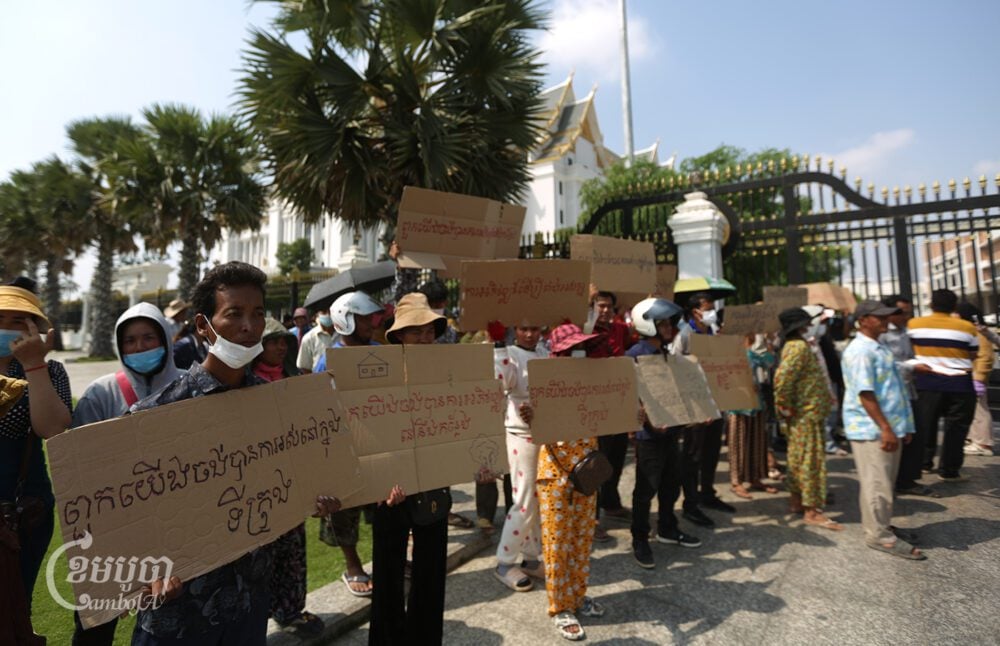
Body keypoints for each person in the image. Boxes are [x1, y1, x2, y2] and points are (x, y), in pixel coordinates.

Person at [128, 262, 342, 646]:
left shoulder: (277, 406)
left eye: (258, 314)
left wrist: (315, 495)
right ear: (202, 326)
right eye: (234, 314)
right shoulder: (154, 416)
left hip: (248, 605)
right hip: (178, 614)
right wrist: (143, 569)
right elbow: (127, 517)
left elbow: (290, 482)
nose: (249, 326)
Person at [71, 302, 184, 645]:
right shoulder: (101, 393)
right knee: (96, 624)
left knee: (169, 618)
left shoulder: (191, 386)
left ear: (165, 339)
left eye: (149, 338)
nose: (139, 348)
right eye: (130, 341)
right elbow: (77, 466)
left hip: (176, 526)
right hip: (112, 531)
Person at [369, 292, 448, 646]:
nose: (425, 338)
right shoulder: (377, 376)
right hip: (390, 491)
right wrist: (383, 480)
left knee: (431, 572)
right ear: (399, 335)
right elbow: (366, 435)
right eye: (417, 331)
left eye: (431, 331)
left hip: (434, 483)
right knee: (387, 574)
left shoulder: (447, 375)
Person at [0, 278, 71, 646]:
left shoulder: (49, 370)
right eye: (1, 318)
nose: (6, 329)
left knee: (14, 605)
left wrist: (33, 365)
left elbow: (53, 428)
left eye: (18, 321)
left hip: (23, 512)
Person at [529, 323, 607, 641]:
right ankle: (560, 607)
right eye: (573, 348)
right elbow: (540, 426)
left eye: (584, 348)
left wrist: (632, 417)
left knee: (581, 540)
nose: (580, 354)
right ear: (556, 352)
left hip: (587, 474)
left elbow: (608, 416)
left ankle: (576, 596)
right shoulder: (545, 384)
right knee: (557, 545)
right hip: (556, 477)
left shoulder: (590, 382)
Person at [248, 318, 324, 637]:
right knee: (261, 552)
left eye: (283, 342)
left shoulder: (294, 378)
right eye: (272, 341)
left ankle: (290, 609)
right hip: (258, 480)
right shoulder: (245, 383)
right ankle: (255, 617)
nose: (280, 347)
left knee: (293, 547)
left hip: (292, 477)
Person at [841, 301, 924, 559]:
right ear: (863, 319)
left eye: (887, 316)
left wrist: (902, 426)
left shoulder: (878, 346)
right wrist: (886, 428)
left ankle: (882, 525)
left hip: (887, 426)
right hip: (871, 429)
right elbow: (865, 394)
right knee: (877, 484)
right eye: (879, 317)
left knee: (885, 482)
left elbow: (892, 385)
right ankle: (879, 536)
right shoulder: (860, 351)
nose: (885, 321)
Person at [626, 298, 702, 571]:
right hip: (649, 437)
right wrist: (644, 421)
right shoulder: (635, 354)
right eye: (663, 323)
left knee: (672, 484)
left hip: (673, 431)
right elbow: (629, 395)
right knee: (646, 489)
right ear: (648, 325)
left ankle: (668, 527)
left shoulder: (669, 355)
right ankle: (640, 538)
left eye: (671, 322)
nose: (669, 327)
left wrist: (698, 411)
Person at [316, 291, 383, 597]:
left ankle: (390, 558)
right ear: (346, 320)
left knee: (386, 505)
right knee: (345, 511)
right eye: (365, 318)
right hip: (344, 449)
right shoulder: (326, 362)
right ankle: (353, 565)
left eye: (372, 318)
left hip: (379, 445)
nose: (372, 323)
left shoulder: (381, 352)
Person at [773, 308, 841, 531]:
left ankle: (797, 502)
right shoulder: (798, 347)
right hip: (806, 413)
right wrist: (784, 405)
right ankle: (812, 510)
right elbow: (782, 379)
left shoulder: (797, 345)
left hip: (805, 412)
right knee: (811, 462)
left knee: (798, 458)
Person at [492, 323, 548, 591]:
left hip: (543, 430)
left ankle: (528, 557)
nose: (530, 334)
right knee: (524, 499)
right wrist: (498, 346)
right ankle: (504, 562)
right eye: (525, 328)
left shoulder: (543, 352)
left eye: (534, 329)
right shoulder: (509, 352)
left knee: (536, 498)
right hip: (519, 432)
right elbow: (501, 383)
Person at [672, 292, 734, 522]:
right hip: (695, 406)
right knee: (692, 455)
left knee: (712, 450)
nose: (711, 312)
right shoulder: (685, 335)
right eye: (707, 308)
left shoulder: (715, 332)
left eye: (712, 308)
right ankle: (690, 503)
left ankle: (707, 492)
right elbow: (676, 368)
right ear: (694, 311)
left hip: (716, 402)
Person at [907, 289, 979, 481]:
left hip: (927, 381)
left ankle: (924, 462)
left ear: (931, 305)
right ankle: (949, 470)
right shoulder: (967, 327)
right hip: (960, 383)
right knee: (956, 428)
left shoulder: (914, 325)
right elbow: (973, 354)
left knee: (925, 425)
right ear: (954, 306)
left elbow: (907, 351)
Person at [878, 295, 939, 497]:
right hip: (891, 393)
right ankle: (893, 481)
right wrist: (911, 366)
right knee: (895, 438)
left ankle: (907, 479)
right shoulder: (882, 335)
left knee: (915, 435)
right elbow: (884, 364)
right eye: (902, 312)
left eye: (908, 312)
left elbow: (908, 358)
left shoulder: (905, 332)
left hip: (908, 390)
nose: (907, 316)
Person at [586, 290, 633, 540]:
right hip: (594, 407)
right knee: (595, 461)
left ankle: (611, 504)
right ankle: (590, 518)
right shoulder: (583, 331)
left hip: (618, 403)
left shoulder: (620, 329)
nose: (605, 311)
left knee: (616, 456)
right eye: (600, 306)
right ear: (592, 307)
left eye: (609, 307)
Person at [728, 333, 779, 500]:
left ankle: (755, 477)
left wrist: (768, 345)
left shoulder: (755, 354)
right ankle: (737, 481)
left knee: (757, 443)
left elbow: (769, 362)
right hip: (738, 406)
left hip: (756, 404)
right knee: (739, 444)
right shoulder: (731, 354)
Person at [956, 303, 995, 457]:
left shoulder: (978, 332)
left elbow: (986, 355)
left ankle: (983, 443)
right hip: (971, 374)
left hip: (976, 375)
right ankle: (976, 439)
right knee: (973, 409)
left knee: (980, 410)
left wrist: (980, 377)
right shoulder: (970, 331)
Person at [296, 307, 337, 374]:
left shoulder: (344, 335)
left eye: (330, 311)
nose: (328, 315)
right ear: (317, 314)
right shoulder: (308, 338)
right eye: (324, 312)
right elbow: (305, 368)